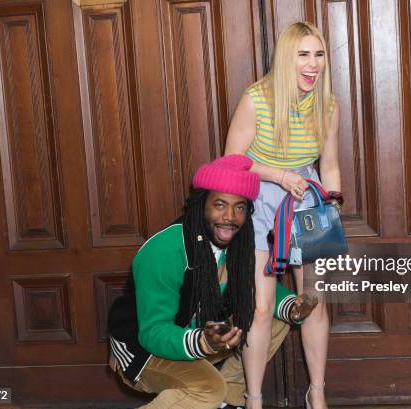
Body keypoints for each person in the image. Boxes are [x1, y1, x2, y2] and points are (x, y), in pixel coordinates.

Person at [108, 154, 315, 409]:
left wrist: (292, 307)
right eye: (219, 205)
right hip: (144, 347)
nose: (230, 217)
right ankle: (214, 396)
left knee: (270, 312)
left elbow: (257, 289)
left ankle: (228, 401)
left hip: (202, 334)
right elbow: (153, 332)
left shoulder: (241, 241)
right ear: (200, 205)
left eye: (240, 207)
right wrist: (202, 342)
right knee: (207, 390)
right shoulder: (165, 250)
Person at [225, 22, 341, 409]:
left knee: (314, 301)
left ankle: (317, 394)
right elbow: (233, 162)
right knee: (260, 308)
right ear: (286, 58)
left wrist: (332, 204)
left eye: (319, 54)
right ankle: (254, 399)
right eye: (303, 55)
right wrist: (279, 175)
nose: (313, 65)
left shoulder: (327, 105)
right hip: (259, 199)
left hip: (306, 199)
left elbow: (330, 165)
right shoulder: (256, 99)